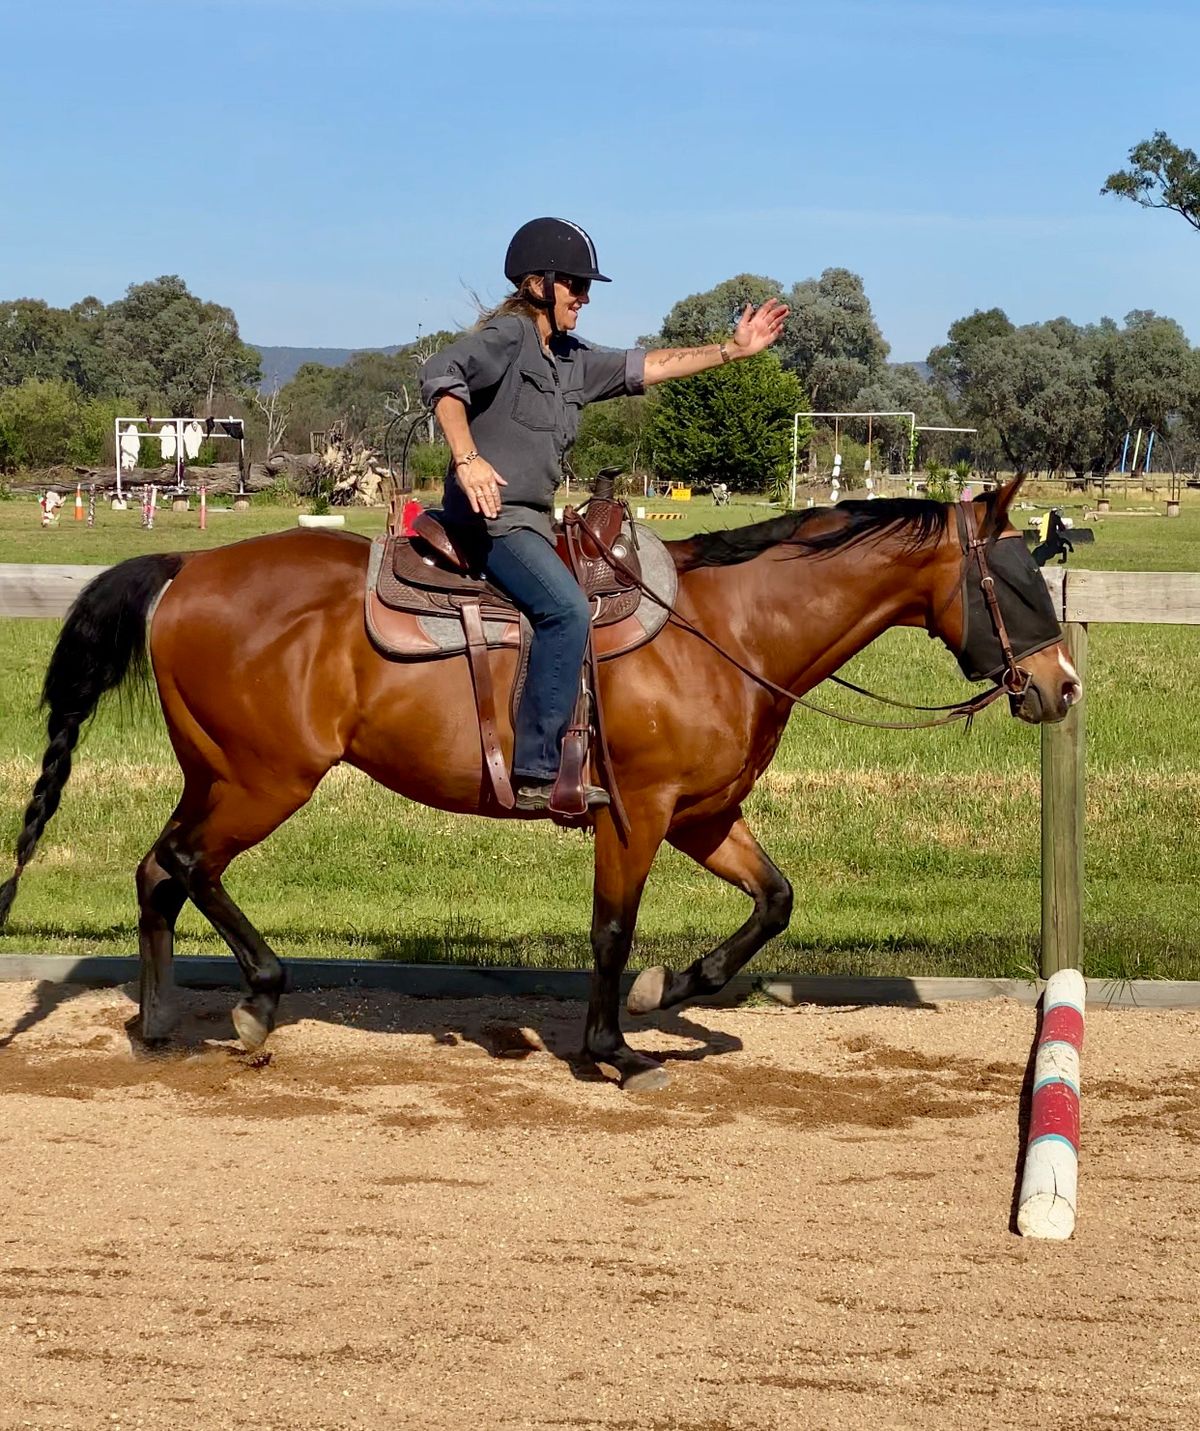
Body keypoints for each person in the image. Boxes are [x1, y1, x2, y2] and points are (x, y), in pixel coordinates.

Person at [419, 217, 788, 814]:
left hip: (532, 521)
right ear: (538, 284)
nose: (584, 298)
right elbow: (443, 374)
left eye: (587, 288)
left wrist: (732, 351)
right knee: (565, 609)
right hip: (492, 520)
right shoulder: (509, 337)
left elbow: (649, 365)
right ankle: (537, 773)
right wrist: (468, 458)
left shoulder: (568, 359)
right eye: (575, 285)